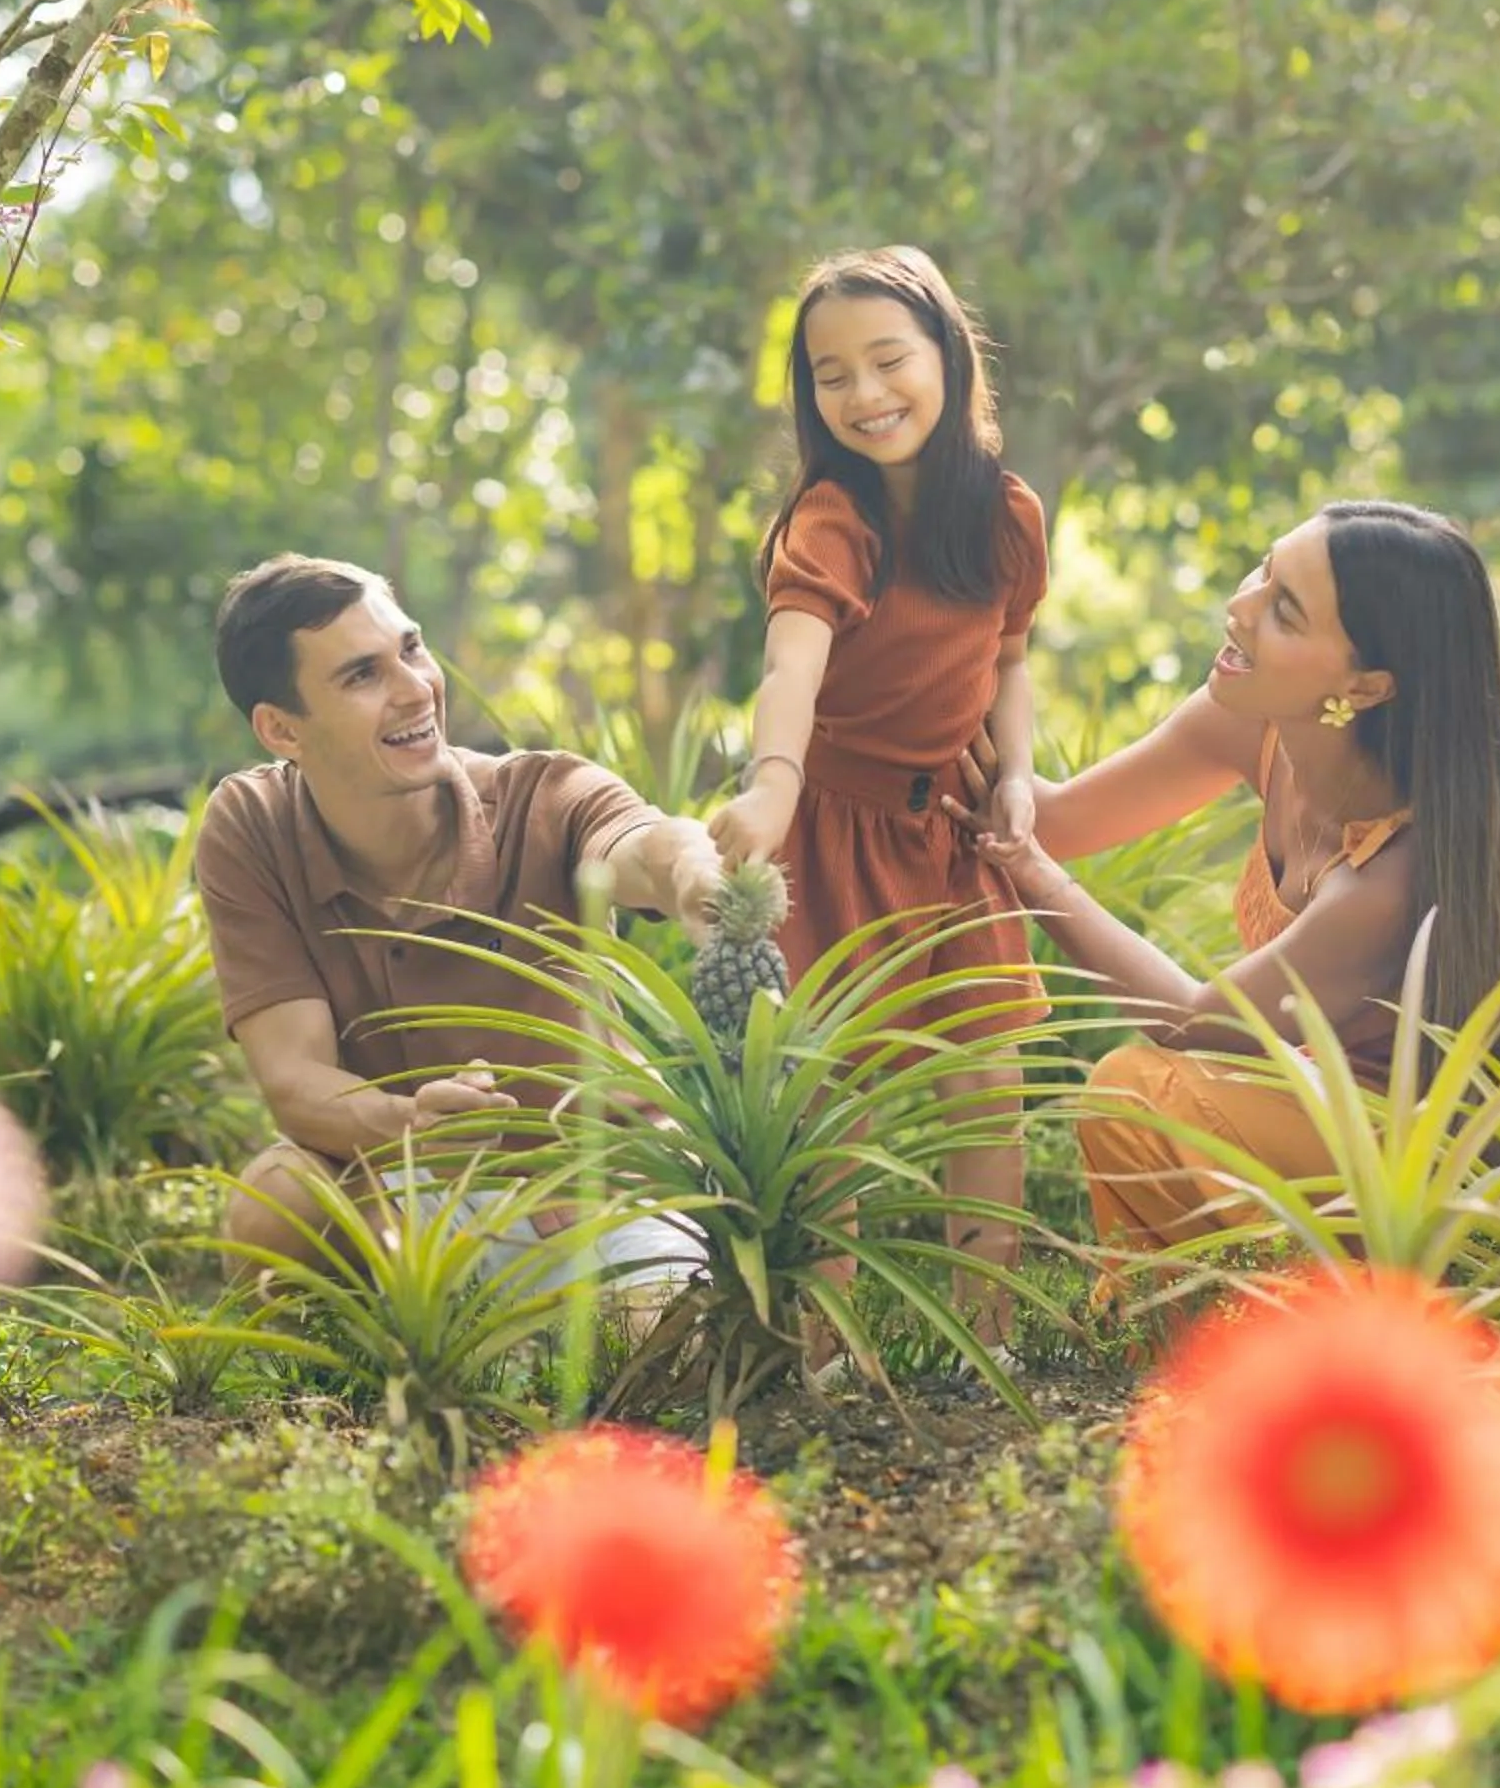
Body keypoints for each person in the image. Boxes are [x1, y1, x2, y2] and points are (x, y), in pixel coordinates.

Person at [956, 499, 1500, 1263]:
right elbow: (1055, 820)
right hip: (1333, 1109)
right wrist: (955, 669)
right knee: (1153, 1093)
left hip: (1474, 1170)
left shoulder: (1398, 872)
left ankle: (1256, 1344)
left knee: (1136, 1094)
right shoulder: (1249, 720)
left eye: (1285, 611)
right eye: (1264, 571)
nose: (1240, 607)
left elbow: (1194, 1022)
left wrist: (1027, 870)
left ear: (1366, 687)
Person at [195, 553, 724, 1282]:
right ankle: (375, 1379)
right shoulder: (252, 826)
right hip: (408, 1188)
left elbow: (639, 844)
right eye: (362, 675)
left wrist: (694, 869)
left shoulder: (546, 793)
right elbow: (295, 1079)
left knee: (656, 1361)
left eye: (411, 649)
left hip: (592, 1186)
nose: (417, 691)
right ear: (283, 731)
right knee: (275, 1203)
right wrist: (412, 1124)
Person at [703, 245, 1049, 1353]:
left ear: (947, 355)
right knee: (828, 1101)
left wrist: (1019, 772)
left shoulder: (1004, 513)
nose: (864, 393)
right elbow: (789, 668)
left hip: (948, 828)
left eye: (889, 359)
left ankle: (985, 1334)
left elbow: (1010, 659)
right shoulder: (830, 519)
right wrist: (770, 788)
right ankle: (826, 1351)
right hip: (832, 825)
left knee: (987, 1078)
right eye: (830, 373)